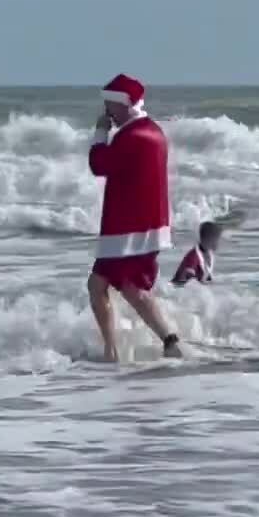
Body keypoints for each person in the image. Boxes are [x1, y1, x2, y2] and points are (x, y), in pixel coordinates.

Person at [87, 73, 180, 362]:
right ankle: (165, 342)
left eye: (111, 107)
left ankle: (116, 351)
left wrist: (100, 133)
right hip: (144, 226)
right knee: (121, 287)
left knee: (112, 287)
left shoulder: (132, 136)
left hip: (129, 230)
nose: (107, 113)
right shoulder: (152, 131)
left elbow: (98, 164)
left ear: (125, 104)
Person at [172, 221, 222, 286]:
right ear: (209, 239)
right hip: (178, 288)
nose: (218, 243)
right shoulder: (194, 256)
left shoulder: (209, 254)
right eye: (217, 239)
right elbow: (186, 275)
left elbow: (207, 278)